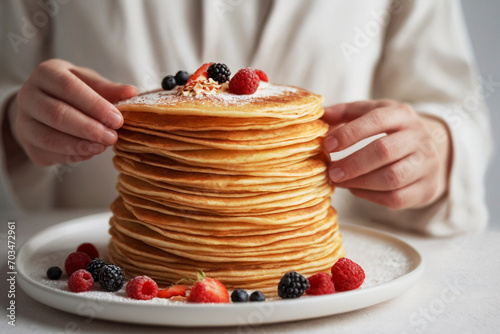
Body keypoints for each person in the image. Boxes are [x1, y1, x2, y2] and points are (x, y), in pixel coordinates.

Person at [0, 0, 492, 236]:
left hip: (324, 295)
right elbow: (10, 85)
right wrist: (16, 120)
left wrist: (438, 145)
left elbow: (455, 103)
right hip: (118, 277)